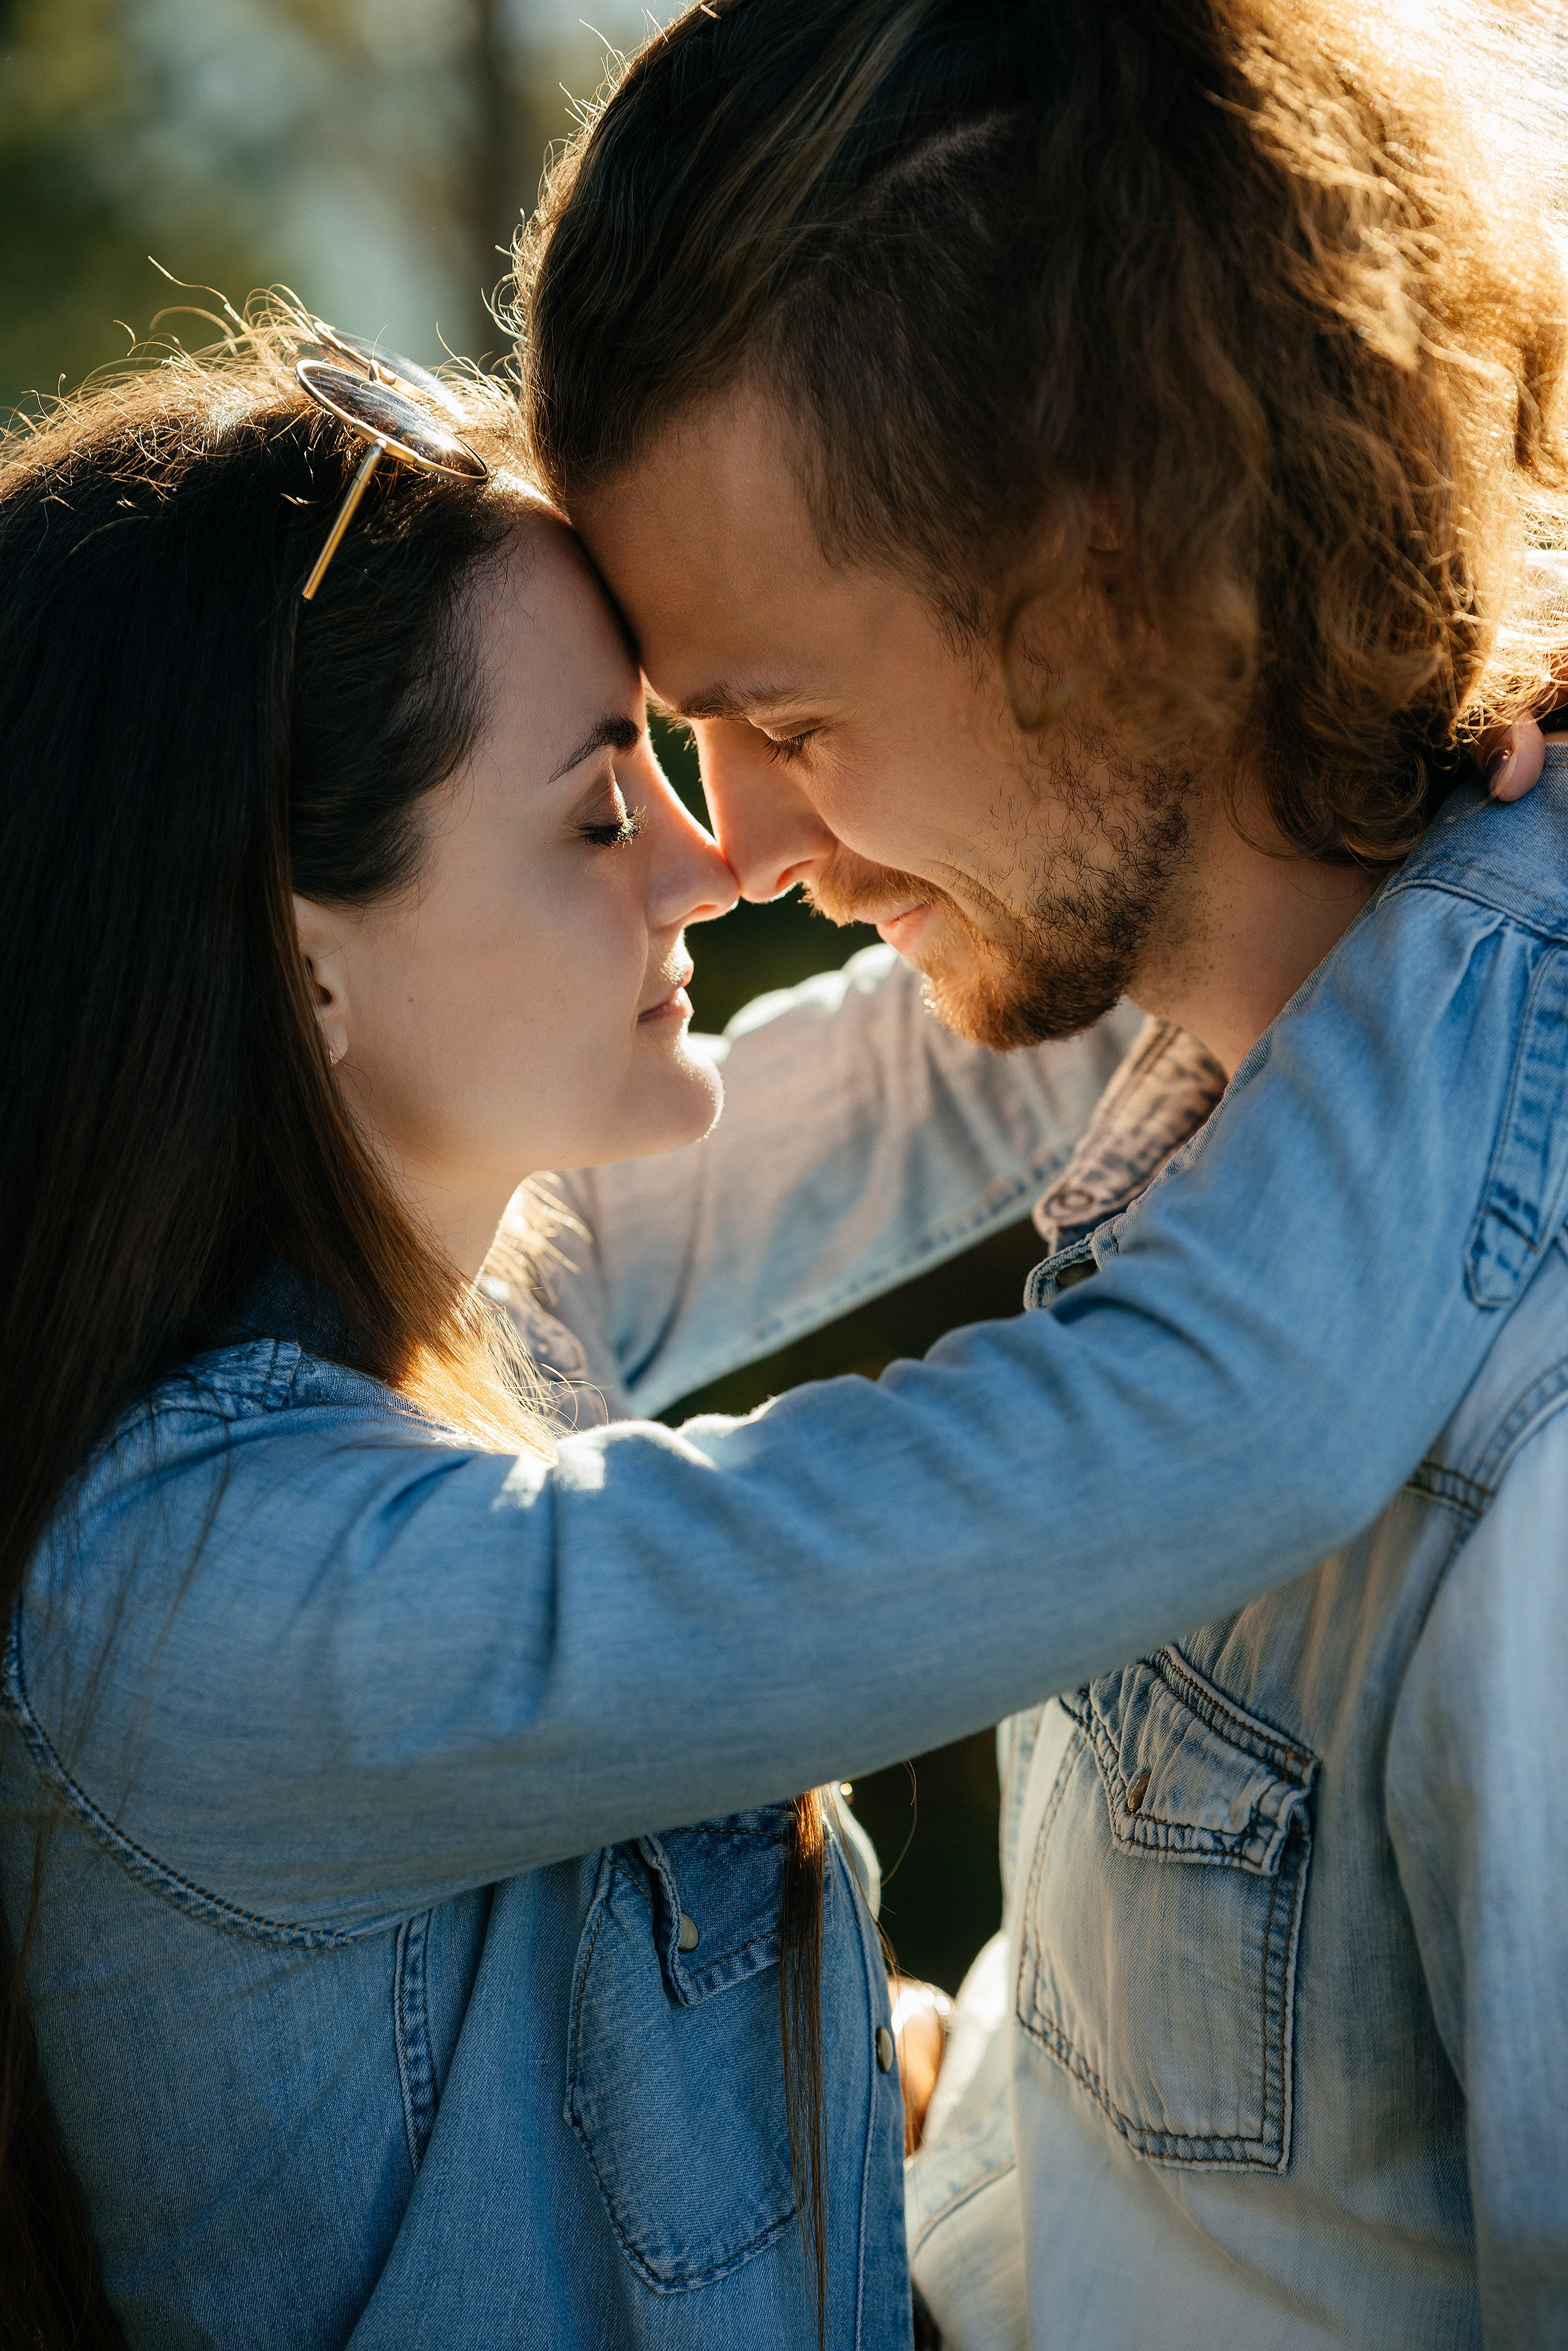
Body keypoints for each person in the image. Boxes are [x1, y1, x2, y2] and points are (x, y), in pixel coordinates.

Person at [515, 0, 1568, 2341]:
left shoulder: (1537, 1445)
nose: (747, 847)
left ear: (1100, 583)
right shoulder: (1184, 1039)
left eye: (785, 722)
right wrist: (976, 2111)